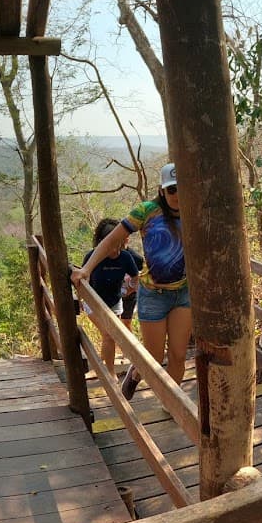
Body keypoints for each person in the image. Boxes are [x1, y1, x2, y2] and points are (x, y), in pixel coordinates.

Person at [72, 163, 191, 400]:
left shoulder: (194, 211)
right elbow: (110, 240)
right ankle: (135, 374)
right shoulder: (147, 211)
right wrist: (86, 269)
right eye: (172, 189)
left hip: (183, 293)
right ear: (161, 190)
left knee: (178, 355)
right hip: (153, 295)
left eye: (182, 188)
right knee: (154, 358)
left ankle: (172, 404)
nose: (177, 195)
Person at [81, 218, 140, 372]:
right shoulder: (92, 257)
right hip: (93, 303)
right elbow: (82, 282)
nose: (113, 248)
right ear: (102, 241)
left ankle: (101, 365)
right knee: (108, 335)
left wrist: (127, 290)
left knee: (112, 336)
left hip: (114, 302)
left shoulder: (126, 257)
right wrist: (84, 299)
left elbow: (135, 278)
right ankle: (110, 374)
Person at [119, 247, 144, 331]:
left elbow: (140, 275)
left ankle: (128, 343)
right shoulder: (104, 254)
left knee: (125, 322)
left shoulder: (136, 258)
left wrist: (131, 287)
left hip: (129, 294)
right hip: (111, 292)